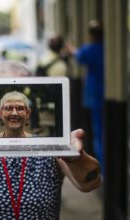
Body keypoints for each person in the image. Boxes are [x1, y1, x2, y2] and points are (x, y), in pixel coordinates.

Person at [0, 61, 101, 220]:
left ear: (28, 112)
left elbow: (89, 184)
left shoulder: (50, 145)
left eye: (20, 105)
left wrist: (76, 156)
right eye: (8, 105)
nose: (14, 112)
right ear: (0, 112)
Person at [66, 19, 104, 175]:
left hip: (96, 96)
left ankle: (102, 168)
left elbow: (78, 55)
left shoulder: (90, 49)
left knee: (99, 133)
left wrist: (70, 48)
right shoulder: (107, 48)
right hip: (102, 95)